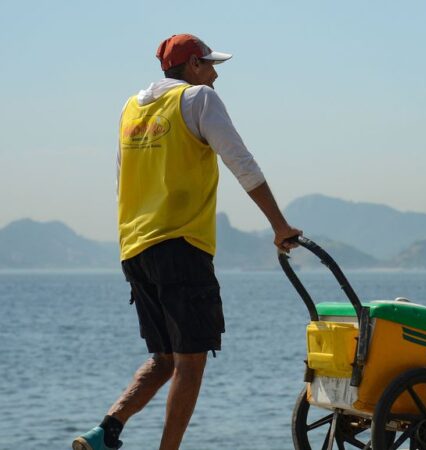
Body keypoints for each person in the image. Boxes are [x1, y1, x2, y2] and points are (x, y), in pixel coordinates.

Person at [73, 34, 302, 450]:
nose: (215, 76)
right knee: (191, 362)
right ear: (193, 65)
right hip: (181, 246)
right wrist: (279, 226)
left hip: (135, 249)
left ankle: (106, 431)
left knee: (164, 359)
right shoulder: (198, 99)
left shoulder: (130, 109)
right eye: (211, 65)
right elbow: (242, 163)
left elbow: (121, 181)